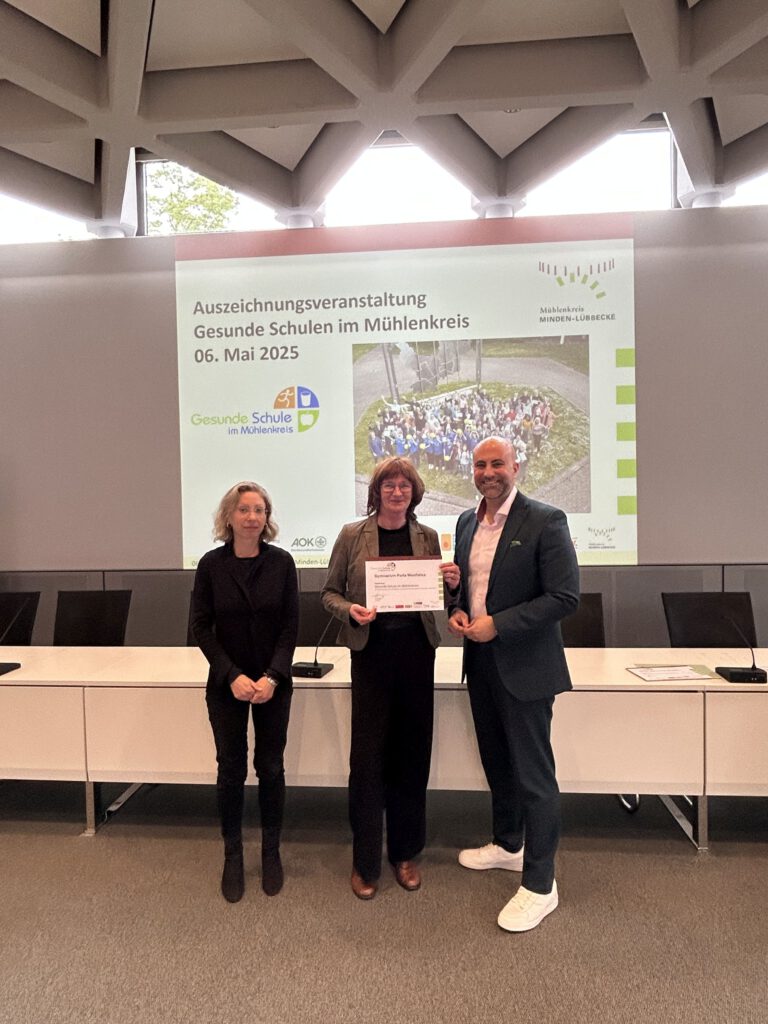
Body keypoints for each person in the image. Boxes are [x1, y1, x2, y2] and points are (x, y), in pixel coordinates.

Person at [448, 437, 578, 932]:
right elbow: (468, 588)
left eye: (497, 463)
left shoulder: (546, 520)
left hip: (526, 667)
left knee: (534, 777)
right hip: (480, 663)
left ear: (515, 466)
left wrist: (498, 625)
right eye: (480, 464)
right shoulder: (466, 522)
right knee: (497, 763)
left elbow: (564, 597)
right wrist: (456, 608)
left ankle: (541, 885)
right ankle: (508, 844)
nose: (488, 472)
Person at [322, 457, 460, 899]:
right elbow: (329, 593)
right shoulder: (352, 535)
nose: (397, 492)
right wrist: (351, 610)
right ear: (376, 492)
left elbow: (440, 597)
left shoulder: (428, 537)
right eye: (389, 485)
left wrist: (452, 584)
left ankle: (404, 853)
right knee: (367, 760)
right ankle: (365, 860)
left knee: (412, 754)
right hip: (371, 655)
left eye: (404, 486)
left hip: (417, 655)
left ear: (414, 493)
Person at [191, 481, 298, 903]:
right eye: (244, 509)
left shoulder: (282, 563)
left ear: (266, 518)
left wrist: (272, 676)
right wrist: (232, 674)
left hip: (273, 684)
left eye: (259, 510)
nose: (252, 517)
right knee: (231, 769)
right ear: (229, 516)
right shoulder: (210, 565)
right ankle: (232, 854)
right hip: (226, 683)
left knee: (270, 767)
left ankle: (271, 852)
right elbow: (201, 627)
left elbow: (290, 627)